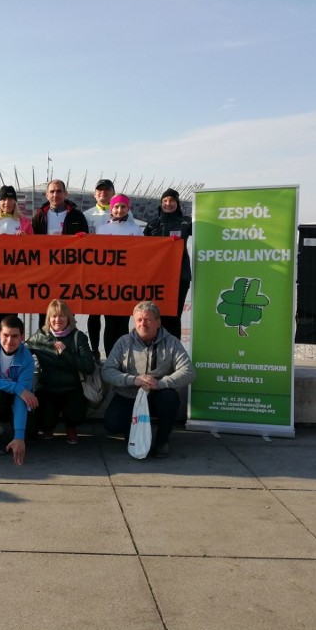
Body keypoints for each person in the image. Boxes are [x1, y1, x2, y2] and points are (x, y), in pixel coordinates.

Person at [101, 301, 195, 458]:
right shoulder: (123, 342)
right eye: (139, 320)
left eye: (147, 319)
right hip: (129, 395)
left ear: (158, 322)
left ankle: (161, 441)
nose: (142, 323)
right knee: (112, 424)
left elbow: (189, 372)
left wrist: (161, 383)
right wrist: (133, 380)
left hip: (158, 395)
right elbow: (107, 371)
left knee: (170, 399)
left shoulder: (171, 342)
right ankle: (132, 434)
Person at [26, 299, 94, 444]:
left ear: (69, 317)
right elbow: (21, 352)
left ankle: (71, 427)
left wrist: (66, 353)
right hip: (47, 388)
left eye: (62, 315)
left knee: (76, 411)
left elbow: (89, 366)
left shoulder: (78, 336)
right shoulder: (40, 336)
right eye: (53, 316)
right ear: (48, 319)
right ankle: (47, 427)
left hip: (72, 388)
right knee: (44, 418)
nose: (57, 320)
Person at [0, 315, 38, 464]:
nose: (9, 341)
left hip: (12, 399)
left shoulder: (27, 358)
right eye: (5, 335)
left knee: (30, 433)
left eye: (15, 336)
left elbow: (21, 397)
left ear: (22, 337)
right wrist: (18, 388)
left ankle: (7, 426)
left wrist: (19, 436)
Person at [31, 179, 89, 328]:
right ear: (46, 195)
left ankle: (67, 347)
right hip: (45, 271)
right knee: (44, 311)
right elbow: (30, 243)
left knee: (67, 311)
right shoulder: (39, 216)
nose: (55, 194)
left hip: (68, 272)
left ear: (65, 194)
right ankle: (43, 347)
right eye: (52, 191)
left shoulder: (77, 216)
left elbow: (87, 244)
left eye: (58, 191)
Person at [0, 185, 33, 331]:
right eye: (4, 199)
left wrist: (26, 239)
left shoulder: (24, 222)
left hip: (16, 275)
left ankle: (12, 347)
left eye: (10, 199)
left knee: (12, 314)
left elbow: (34, 248)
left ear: (15, 202)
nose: (7, 203)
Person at [97, 194, 144, 355]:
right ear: (111, 208)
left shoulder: (135, 229)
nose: (119, 210)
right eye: (116, 207)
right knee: (109, 322)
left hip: (127, 282)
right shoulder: (102, 230)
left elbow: (145, 253)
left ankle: (124, 357)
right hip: (108, 283)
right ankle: (110, 357)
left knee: (123, 323)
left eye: (123, 207)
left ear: (128, 209)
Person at [143, 188, 192, 340]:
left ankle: (174, 353)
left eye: (171, 200)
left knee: (174, 316)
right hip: (157, 278)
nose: (168, 204)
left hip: (179, 276)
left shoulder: (187, 223)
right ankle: (157, 351)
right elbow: (141, 250)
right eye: (165, 201)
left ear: (177, 203)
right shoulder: (152, 225)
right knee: (157, 316)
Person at [84, 179, 116, 358]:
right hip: (94, 271)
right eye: (100, 190)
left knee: (112, 316)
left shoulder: (123, 213)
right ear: (94, 194)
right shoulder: (87, 215)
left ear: (113, 193)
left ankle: (112, 353)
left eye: (107, 190)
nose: (103, 193)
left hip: (115, 272)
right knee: (94, 314)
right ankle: (94, 349)